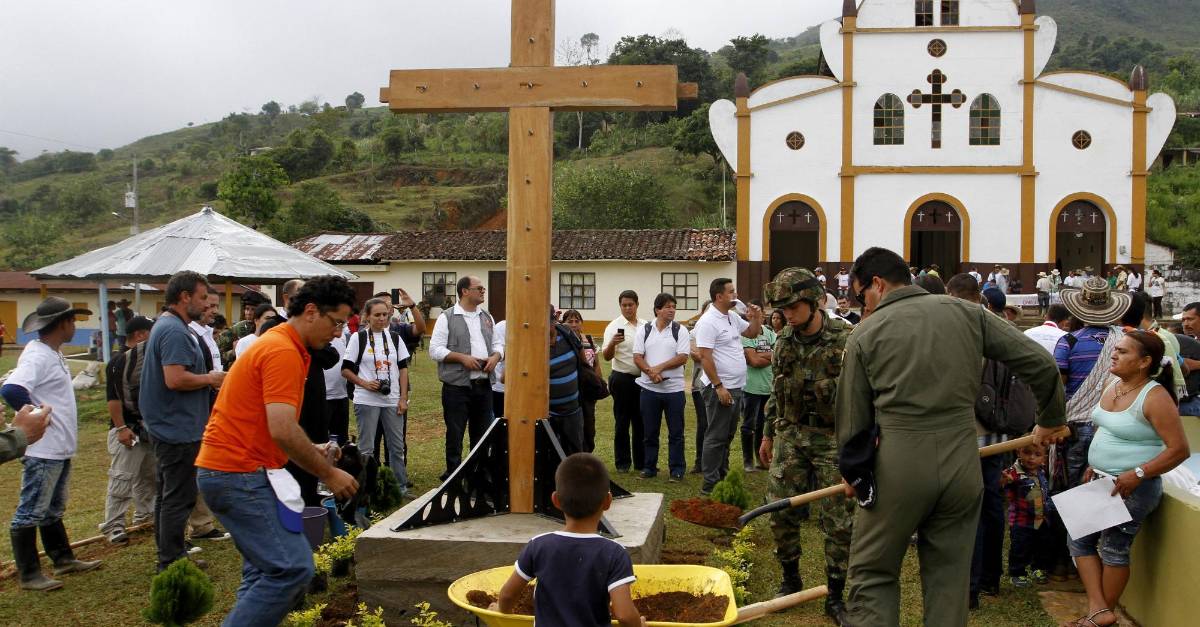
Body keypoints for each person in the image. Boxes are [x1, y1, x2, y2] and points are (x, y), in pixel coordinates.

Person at [835, 248, 1066, 627]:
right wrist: (1050, 419)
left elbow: (853, 421)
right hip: (963, 461)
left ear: (876, 284)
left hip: (900, 465)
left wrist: (853, 474)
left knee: (874, 572)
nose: (864, 306)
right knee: (949, 579)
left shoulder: (866, 333)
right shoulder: (970, 313)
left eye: (862, 296)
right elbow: (1041, 364)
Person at [196, 276, 360, 626]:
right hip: (237, 474)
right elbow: (282, 429)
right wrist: (328, 473)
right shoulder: (282, 350)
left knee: (262, 573)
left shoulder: (286, 346)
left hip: (237, 470)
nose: (337, 333)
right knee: (292, 568)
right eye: (337, 323)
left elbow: (267, 422)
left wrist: (312, 448)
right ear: (312, 311)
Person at [1067, 330, 1190, 627]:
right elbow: (1105, 427)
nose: (1114, 354)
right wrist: (1094, 464)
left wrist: (1138, 472)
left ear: (1144, 362)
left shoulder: (1155, 397)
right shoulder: (1113, 384)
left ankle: (1096, 619)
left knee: (1112, 548)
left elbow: (1180, 450)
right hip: (1102, 479)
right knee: (1078, 541)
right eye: (1116, 350)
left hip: (1133, 487)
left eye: (1123, 352)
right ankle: (1100, 613)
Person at [759, 268, 854, 622]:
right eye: (782, 309)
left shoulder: (847, 339)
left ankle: (835, 594)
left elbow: (864, 395)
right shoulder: (784, 339)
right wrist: (768, 433)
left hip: (833, 440)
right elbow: (776, 391)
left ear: (814, 302)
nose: (787, 315)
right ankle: (790, 579)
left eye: (793, 307)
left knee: (838, 521)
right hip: (792, 436)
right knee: (779, 510)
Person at [1, 297, 101, 591]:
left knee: (52, 508)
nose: (75, 326)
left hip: (58, 448)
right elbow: (11, 389)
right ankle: (29, 574)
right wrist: (36, 418)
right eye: (72, 321)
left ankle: (62, 558)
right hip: (43, 450)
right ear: (62, 324)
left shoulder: (52, 353)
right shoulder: (38, 356)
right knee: (31, 509)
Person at [139, 271, 227, 572]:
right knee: (180, 496)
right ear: (184, 296)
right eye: (203, 298)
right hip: (177, 428)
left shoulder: (170, 326)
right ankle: (171, 561)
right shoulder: (174, 331)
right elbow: (175, 379)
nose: (206, 305)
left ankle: (170, 555)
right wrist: (211, 379)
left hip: (171, 425)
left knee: (169, 496)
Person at [496, 453, 644, 627]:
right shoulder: (615, 553)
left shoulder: (539, 545)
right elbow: (625, 615)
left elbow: (507, 595)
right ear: (608, 501)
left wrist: (501, 611)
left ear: (556, 500)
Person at [1055, 278, 1133, 489]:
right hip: (1113, 425)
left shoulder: (1069, 341)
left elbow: (1058, 387)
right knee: (1104, 486)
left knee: (1069, 486)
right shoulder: (1128, 342)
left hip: (1075, 425)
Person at [428, 276, 501, 480]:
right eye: (479, 288)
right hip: (457, 387)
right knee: (455, 433)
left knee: (481, 434)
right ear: (464, 291)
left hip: (483, 385)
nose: (483, 291)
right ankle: (453, 475)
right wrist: (462, 358)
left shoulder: (487, 317)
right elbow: (434, 350)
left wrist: (496, 357)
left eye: (483, 288)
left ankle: (477, 474)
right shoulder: (447, 317)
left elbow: (497, 345)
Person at [694, 278, 763, 494]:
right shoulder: (708, 322)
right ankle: (710, 484)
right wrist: (719, 386)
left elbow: (751, 333)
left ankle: (721, 476)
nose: (735, 295)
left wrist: (757, 317)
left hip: (736, 386)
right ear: (719, 296)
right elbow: (705, 357)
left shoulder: (731, 317)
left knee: (727, 434)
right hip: (719, 388)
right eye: (731, 291)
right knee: (715, 436)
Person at [99, 315, 157, 546]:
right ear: (141, 334)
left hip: (146, 430)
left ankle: (145, 514)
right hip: (127, 430)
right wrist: (121, 427)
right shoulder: (119, 361)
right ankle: (113, 525)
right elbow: (113, 399)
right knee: (122, 479)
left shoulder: (147, 359)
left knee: (148, 476)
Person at [343, 298, 411, 495]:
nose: (382, 319)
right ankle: (366, 489)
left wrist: (403, 398)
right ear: (367, 316)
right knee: (366, 449)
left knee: (396, 447)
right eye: (377, 315)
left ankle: (401, 487)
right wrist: (365, 383)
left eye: (385, 314)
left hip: (392, 400)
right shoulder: (358, 338)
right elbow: (346, 370)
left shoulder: (395, 338)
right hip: (366, 399)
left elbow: (403, 369)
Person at [632, 293, 690, 480]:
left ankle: (677, 469)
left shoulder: (680, 330)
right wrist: (651, 373)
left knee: (676, 433)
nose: (671, 310)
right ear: (657, 310)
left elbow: (683, 357)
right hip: (649, 390)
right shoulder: (645, 330)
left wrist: (659, 368)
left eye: (673, 306)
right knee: (649, 432)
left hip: (674, 390)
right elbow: (637, 356)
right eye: (667, 307)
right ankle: (649, 468)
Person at [999, 443, 1055, 588]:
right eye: (1027, 453)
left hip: (1041, 518)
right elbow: (1003, 482)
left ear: (1043, 457)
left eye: (1037, 455)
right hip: (1021, 521)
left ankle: (1038, 568)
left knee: (1041, 544)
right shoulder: (1013, 472)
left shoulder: (1041, 471)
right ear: (1019, 452)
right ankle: (1017, 573)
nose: (1031, 458)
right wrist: (1005, 481)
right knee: (1020, 547)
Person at [603, 290, 647, 473]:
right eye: (624, 305)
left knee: (641, 422)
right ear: (620, 306)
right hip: (622, 379)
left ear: (637, 305)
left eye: (630, 304)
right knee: (622, 421)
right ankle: (622, 463)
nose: (627, 308)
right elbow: (606, 356)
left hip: (642, 380)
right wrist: (613, 343)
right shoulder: (614, 326)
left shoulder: (645, 325)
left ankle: (641, 462)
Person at [740, 299, 775, 474]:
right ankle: (748, 461)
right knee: (749, 425)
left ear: (762, 314)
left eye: (756, 311)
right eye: (749, 311)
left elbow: (779, 354)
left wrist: (762, 355)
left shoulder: (769, 332)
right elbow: (752, 361)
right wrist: (768, 356)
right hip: (751, 387)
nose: (752, 314)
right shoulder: (745, 334)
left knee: (764, 425)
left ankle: (761, 459)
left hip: (768, 387)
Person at [563, 310, 602, 452]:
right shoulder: (562, 342)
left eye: (577, 321)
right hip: (570, 390)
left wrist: (598, 385)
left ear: (582, 323)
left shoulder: (589, 340)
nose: (574, 324)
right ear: (563, 324)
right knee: (573, 427)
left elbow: (596, 364)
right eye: (569, 321)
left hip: (588, 392)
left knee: (589, 427)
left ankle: (587, 455)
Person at [548, 312, 586, 453]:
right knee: (552, 452)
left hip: (573, 410)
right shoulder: (533, 345)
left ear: (554, 322)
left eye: (549, 322)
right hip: (548, 413)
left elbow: (583, 360)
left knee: (575, 450)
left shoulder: (566, 333)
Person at [688, 301, 711, 474]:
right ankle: (699, 461)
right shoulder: (694, 332)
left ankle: (715, 461)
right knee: (703, 423)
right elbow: (696, 355)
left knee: (718, 425)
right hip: (700, 385)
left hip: (723, 385)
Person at [217, 290, 270, 366]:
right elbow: (215, 355)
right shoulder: (236, 329)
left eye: (253, 309)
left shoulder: (268, 328)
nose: (248, 312)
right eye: (247, 309)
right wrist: (233, 352)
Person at [491, 319, 508, 418]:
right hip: (500, 387)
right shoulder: (502, 326)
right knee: (500, 420)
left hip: (523, 386)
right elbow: (497, 352)